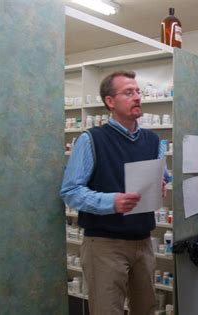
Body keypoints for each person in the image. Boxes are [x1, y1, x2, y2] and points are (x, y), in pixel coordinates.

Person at [61, 70, 159, 315]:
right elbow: (70, 191)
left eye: (138, 92)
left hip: (143, 242)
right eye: (128, 92)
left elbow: (158, 176)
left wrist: (159, 184)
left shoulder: (152, 140)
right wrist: (111, 202)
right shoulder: (91, 139)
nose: (137, 97)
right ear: (110, 102)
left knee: (146, 309)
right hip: (105, 245)